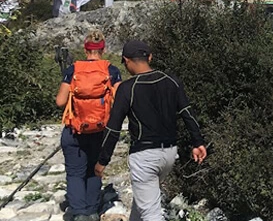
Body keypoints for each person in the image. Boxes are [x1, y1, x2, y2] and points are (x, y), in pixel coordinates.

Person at [95, 40, 207, 221]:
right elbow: (187, 113)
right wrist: (198, 142)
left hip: (144, 156)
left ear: (126, 60)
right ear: (150, 57)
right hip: (169, 154)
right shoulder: (171, 81)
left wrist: (102, 161)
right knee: (143, 204)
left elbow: (113, 128)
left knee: (151, 214)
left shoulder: (127, 89)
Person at [55, 30, 122, 221]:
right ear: (103, 49)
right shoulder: (111, 70)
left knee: (75, 173)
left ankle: (78, 212)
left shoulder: (73, 70)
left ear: (85, 49)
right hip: (100, 130)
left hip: (75, 129)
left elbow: (60, 102)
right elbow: (120, 100)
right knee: (94, 169)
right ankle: (92, 211)